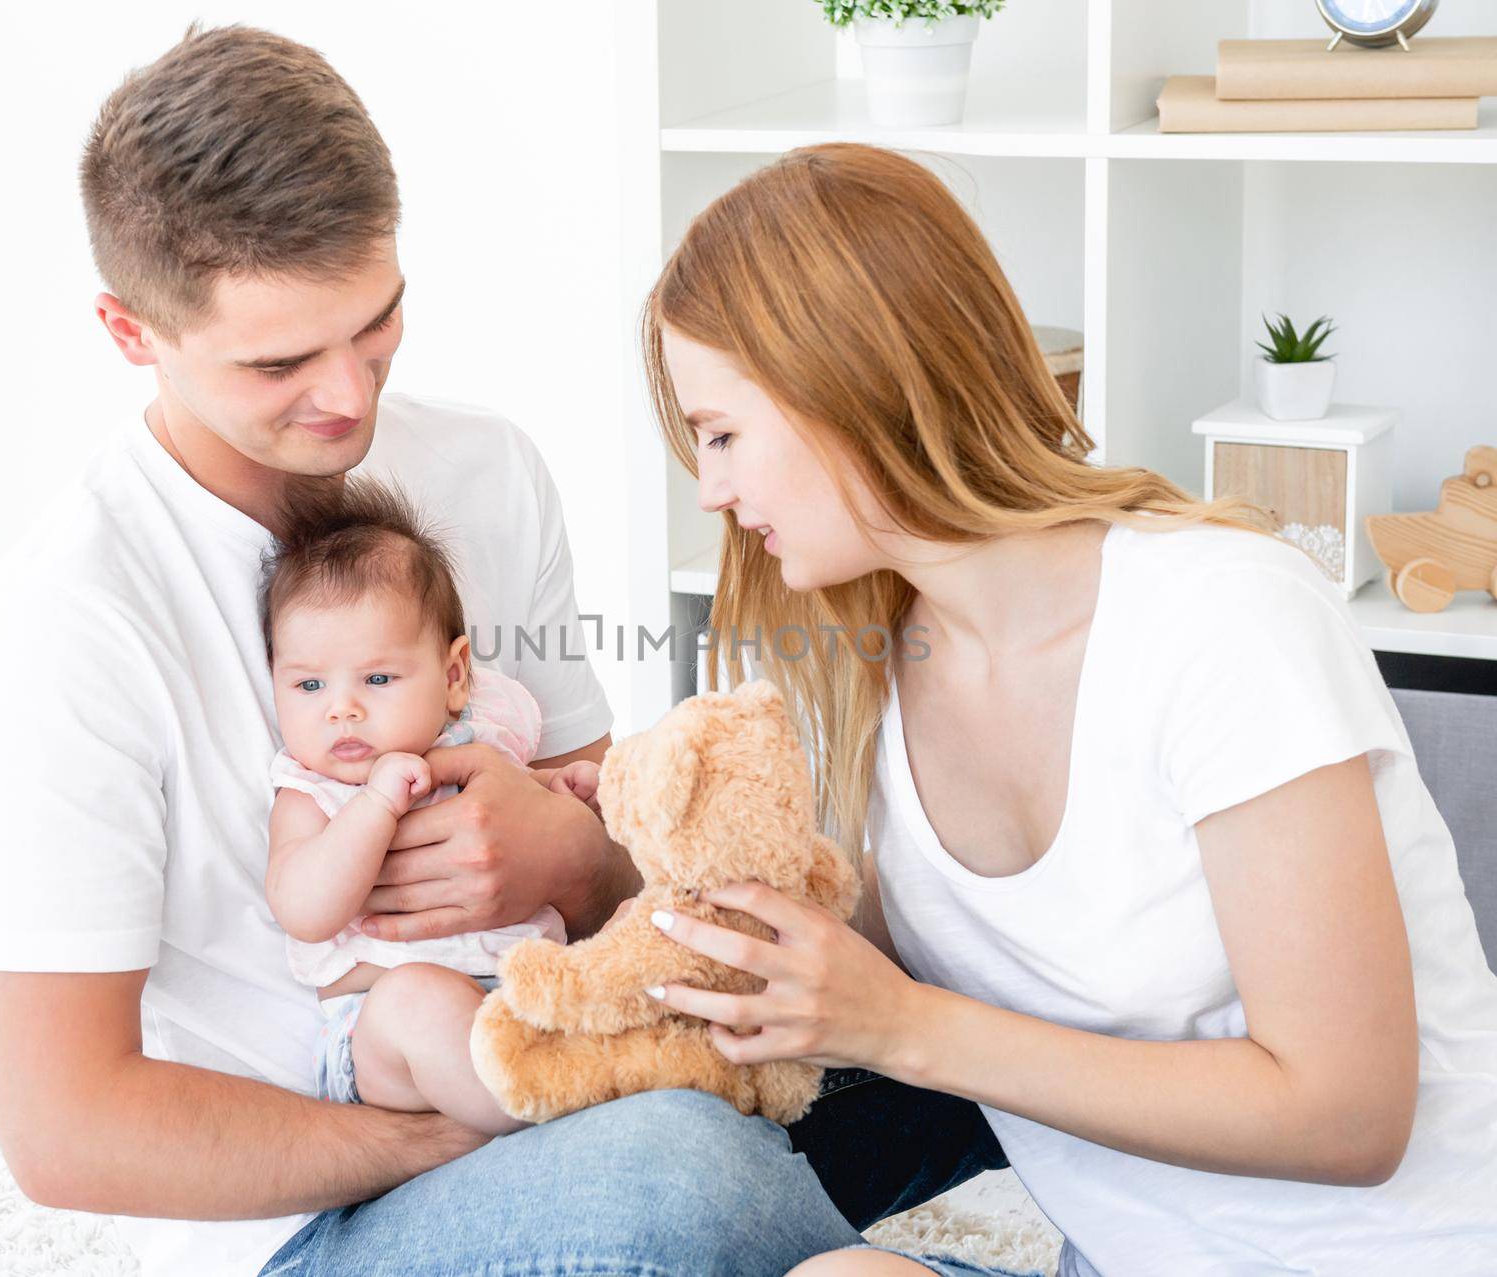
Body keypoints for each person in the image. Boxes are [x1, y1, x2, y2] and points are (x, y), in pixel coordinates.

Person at [0, 28, 1006, 1277]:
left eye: (374, 325)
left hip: (577, 1039)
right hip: (322, 1206)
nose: (345, 396)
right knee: (677, 1171)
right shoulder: (51, 639)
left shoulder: (481, 470)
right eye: (278, 361)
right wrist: (477, 1127)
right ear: (130, 331)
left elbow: (631, 879)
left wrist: (578, 855)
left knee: (975, 981)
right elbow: (69, 1131)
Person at [639, 142, 1497, 1277]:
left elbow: (1348, 1115)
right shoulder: (866, 671)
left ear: (840, 381)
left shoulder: (1220, 615)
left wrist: (903, 1025)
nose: (710, 488)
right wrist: (586, 871)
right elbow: (847, 964)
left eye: (720, 432)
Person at [260, 474, 597, 1128]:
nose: (342, 708)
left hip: (526, 991)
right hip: (382, 1023)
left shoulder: (481, 739)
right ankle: (542, 1116)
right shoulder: (313, 789)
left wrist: (561, 795)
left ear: (452, 676)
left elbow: (522, 820)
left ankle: (576, 1077)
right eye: (307, 684)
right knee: (419, 1002)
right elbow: (302, 906)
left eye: (378, 678)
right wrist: (374, 809)